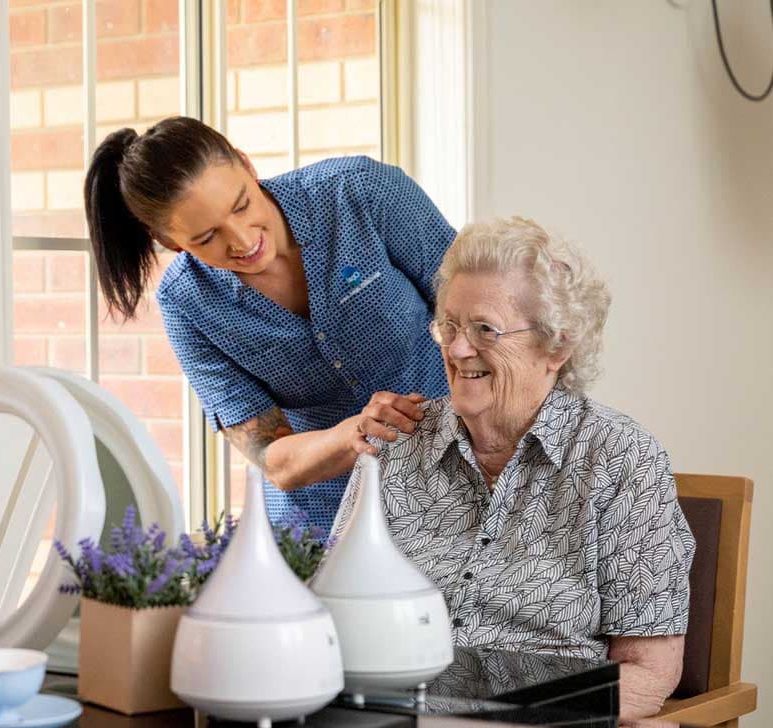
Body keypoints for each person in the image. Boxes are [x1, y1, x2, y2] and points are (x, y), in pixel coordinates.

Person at [330, 216, 695, 719]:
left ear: (556, 346)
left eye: (485, 329)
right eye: (450, 326)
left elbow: (649, 676)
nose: (458, 349)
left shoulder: (620, 459)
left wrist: (485, 716)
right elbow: (329, 615)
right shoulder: (396, 441)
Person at [84, 116, 455, 532]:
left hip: (452, 475)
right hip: (321, 519)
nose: (243, 241)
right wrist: (353, 433)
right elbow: (272, 456)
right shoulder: (186, 302)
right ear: (170, 242)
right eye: (207, 238)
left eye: (242, 205)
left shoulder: (359, 190)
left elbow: (482, 312)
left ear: (247, 164)